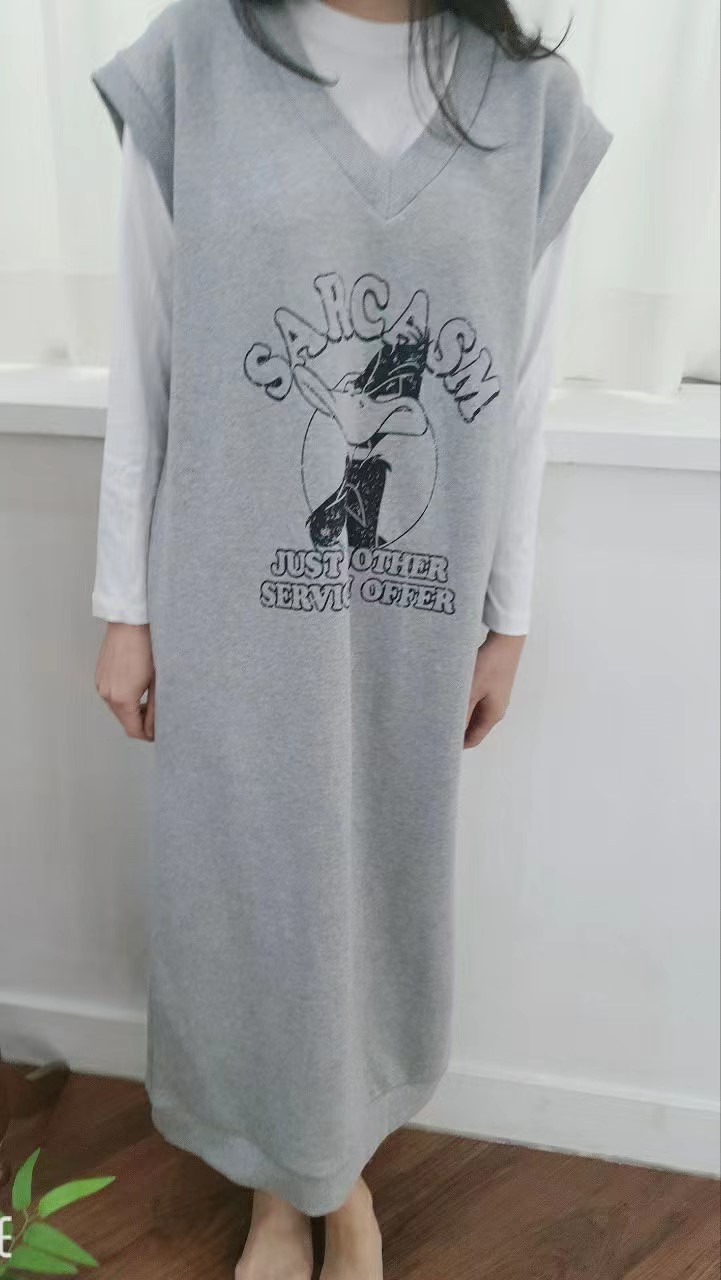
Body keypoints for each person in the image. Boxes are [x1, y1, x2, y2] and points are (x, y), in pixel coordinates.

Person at [92, 0, 612, 1274]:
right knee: (248, 883)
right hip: (228, 592)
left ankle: (344, 1179)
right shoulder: (196, 61)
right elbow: (143, 355)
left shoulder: (529, 109)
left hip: (413, 613)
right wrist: (125, 607)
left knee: (376, 880)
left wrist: (510, 617)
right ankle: (280, 1186)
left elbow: (523, 394)